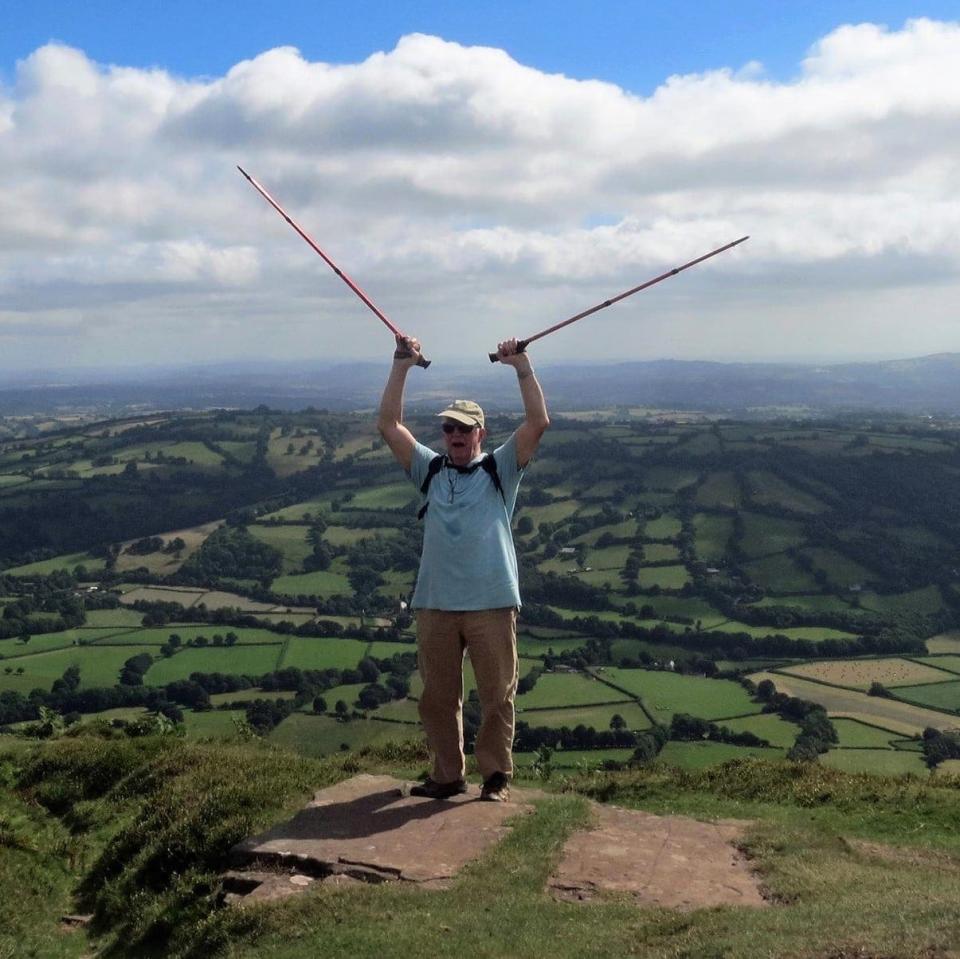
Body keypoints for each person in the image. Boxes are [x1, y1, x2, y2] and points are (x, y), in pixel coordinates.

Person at [377, 334, 549, 802]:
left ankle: (495, 776)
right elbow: (389, 424)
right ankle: (447, 775)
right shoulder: (429, 470)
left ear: (481, 434)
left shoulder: (500, 469)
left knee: (497, 697)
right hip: (435, 603)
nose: (454, 435)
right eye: (449, 428)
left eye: (464, 429)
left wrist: (522, 365)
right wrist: (401, 365)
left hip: (492, 602)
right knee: (437, 699)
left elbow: (538, 422)